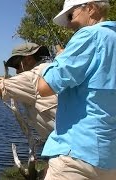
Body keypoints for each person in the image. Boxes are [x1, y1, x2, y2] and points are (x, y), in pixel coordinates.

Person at [37, 0, 116, 179]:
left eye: (70, 16)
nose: (68, 25)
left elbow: (44, 87)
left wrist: (60, 58)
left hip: (76, 157)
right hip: (110, 161)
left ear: (90, 8)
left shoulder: (89, 35)